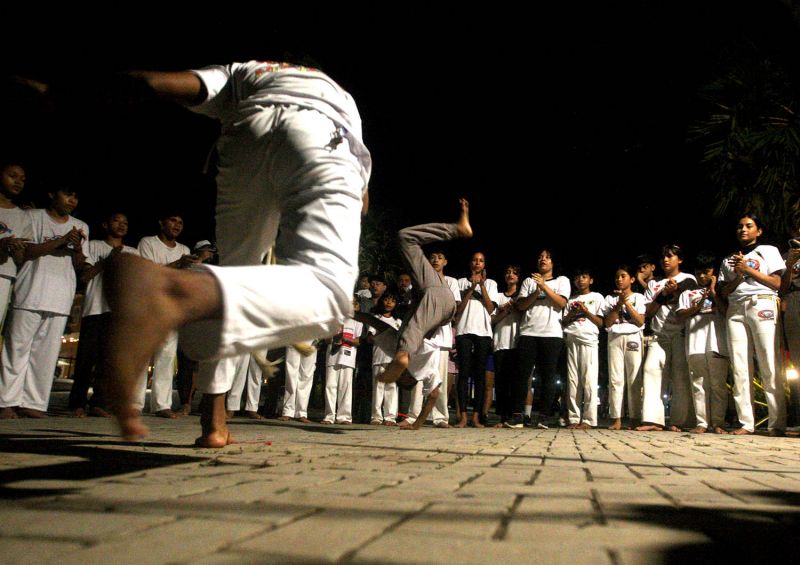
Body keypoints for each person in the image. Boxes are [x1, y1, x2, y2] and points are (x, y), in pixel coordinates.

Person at [101, 61, 371, 445]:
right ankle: (170, 288)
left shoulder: (243, 71)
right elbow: (361, 195)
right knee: (330, 293)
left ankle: (214, 422)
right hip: (323, 132)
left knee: (232, 275)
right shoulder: (340, 95)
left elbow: (151, 81)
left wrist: (70, 94)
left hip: (247, 130)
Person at [0, 188, 88, 418]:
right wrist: (61, 240)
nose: (72, 199)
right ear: (51, 194)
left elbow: (80, 265)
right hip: (30, 290)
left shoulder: (81, 226)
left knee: (46, 355)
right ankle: (6, 402)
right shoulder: (31, 217)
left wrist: (77, 246)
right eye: (67, 194)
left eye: (75, 196)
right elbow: (25, 252)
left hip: (61, 295)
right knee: (16, 349)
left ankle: (34, 403)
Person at [719, 214, 786, 436]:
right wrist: (738, 275)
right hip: (736, 308)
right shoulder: (728, 259)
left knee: (768, 361)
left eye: (749, 226)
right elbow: (724, 293)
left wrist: (750, 271)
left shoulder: (768, 250)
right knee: (739, 366)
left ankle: (776, 423)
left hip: (762, 303)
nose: (743, 230)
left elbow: (777, 282)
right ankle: (746, 423)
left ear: (759, 230)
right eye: (739, 227)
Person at [68, 212, 138, 417]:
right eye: (117, 221)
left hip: (119, 312)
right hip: (95, 309)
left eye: (125, 222)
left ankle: (99, 403)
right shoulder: (95, 245)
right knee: (85, 359)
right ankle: (77, 403)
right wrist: (108, 260)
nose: (122, 225)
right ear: (106, 224)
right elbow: (85, 276)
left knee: (108, 361)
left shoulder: (133, 252)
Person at [135, 212, 196, 418]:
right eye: (173, 220)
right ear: (161, 222)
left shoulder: (184, 250)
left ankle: (161, 404)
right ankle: (134, 404)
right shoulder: (148, 243)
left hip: (172, 307)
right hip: (148, 305)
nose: (177, 225)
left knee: (167, 357)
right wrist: (177, 265)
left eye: (180, 222)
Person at [636, 245, 697, 432]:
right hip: (659, 335)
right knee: (650, 370)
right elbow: (647, 312)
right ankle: (653, 420)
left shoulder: (688, 279)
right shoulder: (655, 284)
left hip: (680, 333)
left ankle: (680, 421)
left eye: (671, 256)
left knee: (680, 376)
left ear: (680, 260)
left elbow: (689, 296)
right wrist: (663, 295)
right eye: (663, 257)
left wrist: (676, 289)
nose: (666, 260)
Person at [510, 250, 570, 429]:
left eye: (547, 257)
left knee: (548, 377)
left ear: (553, 263)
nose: (542, 259)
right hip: (528, 332)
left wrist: (545, 287)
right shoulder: (529, 281)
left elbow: (561, 303)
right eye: (540, 257)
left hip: (551, 333)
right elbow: (521, 305)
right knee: (522, 375)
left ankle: (544, 417)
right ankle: (518, 416)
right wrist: (537, 291)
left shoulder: (562, 281)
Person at [676, 252, 729, 434]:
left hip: (717, 342)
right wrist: (697, 306)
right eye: (699, 273)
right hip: (694, 343)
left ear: (713, 272)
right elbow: (680, 315)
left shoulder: (721, 291)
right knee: (698, 383)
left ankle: (718, 422)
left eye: (706, 272)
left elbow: (725, 311)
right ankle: (702, 422)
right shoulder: (687, 293)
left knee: (718, 384)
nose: (702, 276)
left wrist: (714, 293)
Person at [454, 252, 498, 427]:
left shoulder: (491, 283)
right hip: (464, 330)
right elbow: (458, 309)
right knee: (464, 374)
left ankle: (476, 417)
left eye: (481, 260)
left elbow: (490, 308)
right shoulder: (460, 282)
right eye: (474, 260)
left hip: (484, 332)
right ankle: (463, 417)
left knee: (480, 375)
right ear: (470, 263)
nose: (477, 263)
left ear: (484, 264)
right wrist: (471, 287)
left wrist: (482, 286)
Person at [602, 265, 646, 430]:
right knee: (615, 379)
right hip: (614, 337)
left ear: (631, 279)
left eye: (623, 276)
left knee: (634, 378)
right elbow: (607, 322)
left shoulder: (639, 297)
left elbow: (640, 321)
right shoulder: (609, 299)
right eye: (617, 277)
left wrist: (625, 303)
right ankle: (617, 418)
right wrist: (618, 304)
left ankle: (635, 417)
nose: (619, 279)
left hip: (633, 336)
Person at [561, 268, 604, 429]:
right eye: (577, 277)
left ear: (591, 280)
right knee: (573, 381)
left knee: (589, 381)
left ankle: (589, 419)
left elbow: (601, 323)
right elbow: (563, 322)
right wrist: (572, 312)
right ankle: (573, 418)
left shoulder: (596, 297)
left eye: (584, 277)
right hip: (571, 340)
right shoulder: (571, 299)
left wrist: (585, 311)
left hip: (589, 341)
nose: (580, 280)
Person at [0, 161, 32, 334]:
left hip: (4, 275)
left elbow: (20, 259)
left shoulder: (23, 216)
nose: (18, 182)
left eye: (23, 179)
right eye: (12, 176)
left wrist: (16, 248)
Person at [321, 298, 363, 424]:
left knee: (346, 386)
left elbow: (358, 341)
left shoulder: (357, 322)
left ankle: (344, 416)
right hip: (333, 356)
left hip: (348, 357)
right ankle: (329, 416)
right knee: (330, 386)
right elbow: (326, 340)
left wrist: (345, 339)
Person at [493, 265, 521, 427]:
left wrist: (515, 308)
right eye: (508, 272)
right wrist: (504, 311)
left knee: (515, 382)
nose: (510, 275)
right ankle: (502, 417)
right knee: (501, 382)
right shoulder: (498, 296)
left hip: (516, 342)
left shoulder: (522, 297)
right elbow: (492, 320)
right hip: (500, 342)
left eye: (514, 273)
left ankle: (514, 416)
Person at [367, 291, 401, 425]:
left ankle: (390, 417)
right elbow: (369, 337)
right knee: (378, 387)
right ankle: (376, 416)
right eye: (386, 300)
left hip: (393, 359)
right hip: (378, 357)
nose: (389, 303)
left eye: (392, 301)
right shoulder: (376, 318)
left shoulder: (398, 321)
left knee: (391, 387)